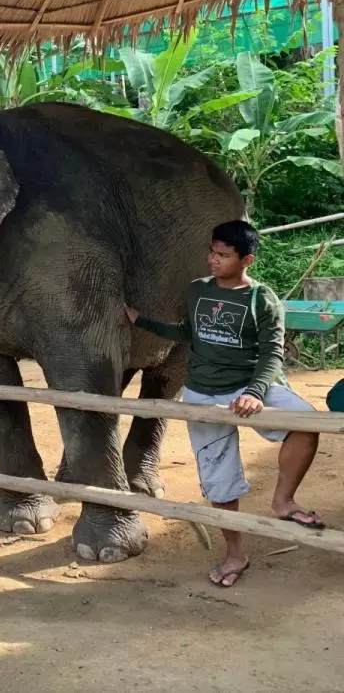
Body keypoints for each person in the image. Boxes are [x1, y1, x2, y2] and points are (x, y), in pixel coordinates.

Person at [125, 220, 322, 588]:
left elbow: (272, 355)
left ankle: (283, 501)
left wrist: (254, 392)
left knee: (307, 424)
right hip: (202, 393)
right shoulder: (198, 290)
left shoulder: (262, 300)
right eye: (211, 252)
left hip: (249, 386)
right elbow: (188, 332)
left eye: (223, 255)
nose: (213, 260)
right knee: (220, 482)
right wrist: (144, 322)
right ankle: (235, 553)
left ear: (246, 259)